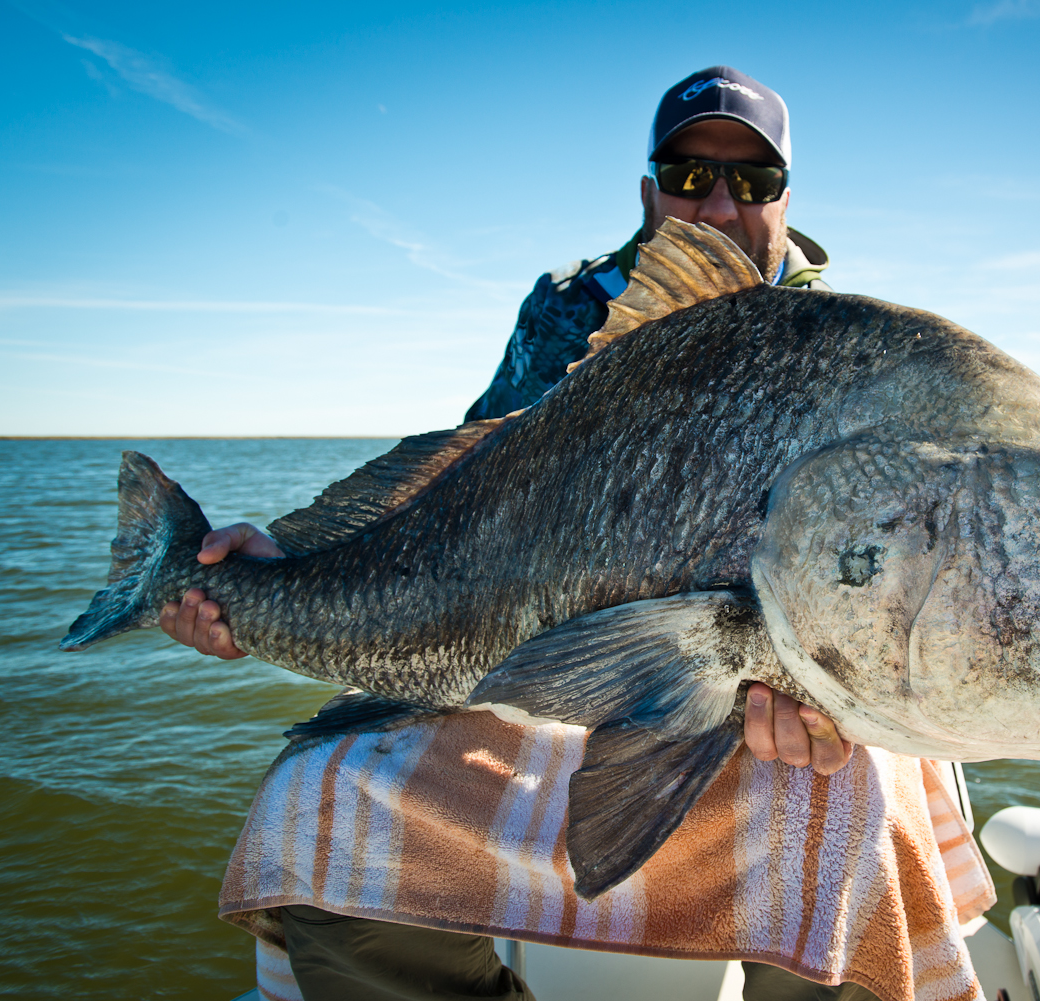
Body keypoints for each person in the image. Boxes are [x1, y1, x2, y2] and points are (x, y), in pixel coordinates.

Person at [164, 68, 989, 1001]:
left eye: (752, 182)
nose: (718, 203)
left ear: (788, 199)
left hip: (769, 682)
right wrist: (286, 567)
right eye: (687, 175)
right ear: (648, 191)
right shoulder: (564, 306)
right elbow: (472, 478)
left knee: (857, 832)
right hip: (544, 647)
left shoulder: (845, 346)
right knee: (318, 794)